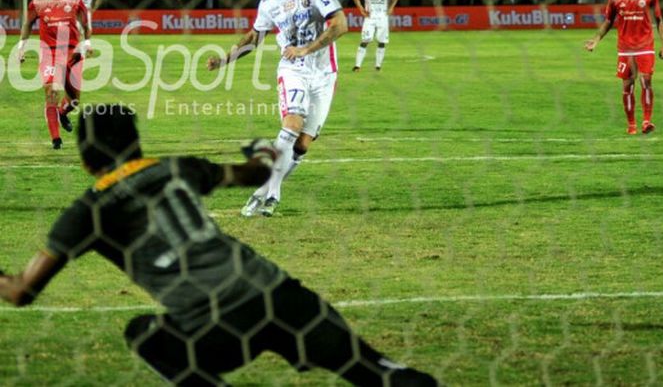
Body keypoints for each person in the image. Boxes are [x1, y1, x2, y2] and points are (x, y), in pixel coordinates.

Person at [0, 104, 437, 387]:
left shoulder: (86, 212)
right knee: (378, 373)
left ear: (84, 157)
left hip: (211, 325)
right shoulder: (178, 168)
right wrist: (265, 154)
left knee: (144, 335)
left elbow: (22, 291)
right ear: (136, 142)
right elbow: (251, 175)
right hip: (277, 297)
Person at [207, 0, 347, 218]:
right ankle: (272, 194)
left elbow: (340, 24)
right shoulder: (268, 3)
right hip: (292, 69)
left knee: (302, 145)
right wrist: (224, 60)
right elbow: (253, 38)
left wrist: (307, 48)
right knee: (292, 122)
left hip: (324, 73)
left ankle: (261, 191)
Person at [585, 0, 663, 134]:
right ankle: (631, 125)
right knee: (627, 86)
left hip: (646, 46)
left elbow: (659, 19)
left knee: (646, 81)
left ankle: (647, 121)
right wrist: (596, 39)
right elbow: (608, 21)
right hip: (625, 48)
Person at [17, 0, 92, 149]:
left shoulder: (75, 2)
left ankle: (63, 113)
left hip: (72, 52)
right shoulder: (38, 3)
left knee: (74, 100)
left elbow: (85, 24)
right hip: (49, 53)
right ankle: (56, 139)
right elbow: (27, 24)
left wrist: (88, 43)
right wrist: (21, 47)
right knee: (51, 93)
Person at [352, 0, 399, 72]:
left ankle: (378, 66)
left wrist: (391, 8)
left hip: (383, 16)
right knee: (365, 40)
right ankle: (357, 66)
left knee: (382, 41)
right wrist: (361, 8)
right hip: (370, 16)